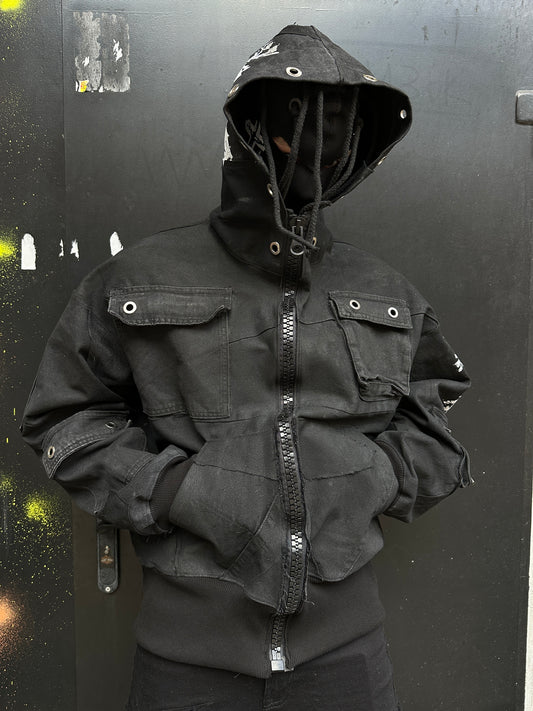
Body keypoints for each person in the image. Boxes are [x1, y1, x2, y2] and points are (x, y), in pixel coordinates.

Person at [21, 25, 472, 711]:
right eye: (299, 116)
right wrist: (176, 490)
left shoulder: (388, 292)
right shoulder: (140, 275)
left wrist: (374, 477)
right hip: (185, 664)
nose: (320, 140)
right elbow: (63, 416)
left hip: (346, 662)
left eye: (341, 121)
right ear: (250, 127)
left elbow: (434, 423)